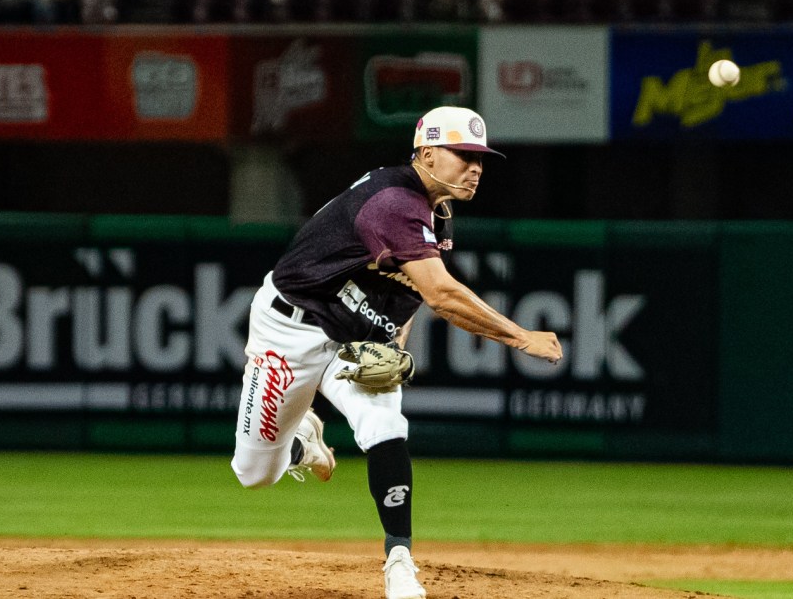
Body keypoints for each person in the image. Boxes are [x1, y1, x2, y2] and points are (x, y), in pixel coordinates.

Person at [230, 106, 563, 599]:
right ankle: (301, 437)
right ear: (427, 153)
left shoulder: (439, 212)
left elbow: (406, 288)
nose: (476, 167)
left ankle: (400, 562)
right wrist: (520, 337)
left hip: (351, 344)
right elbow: (442, 295)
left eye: (481, 158)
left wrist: (394, 342)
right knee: (254, 474)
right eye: (463, 155)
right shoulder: (393, 201)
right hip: (288, 329)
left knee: (385, 427)